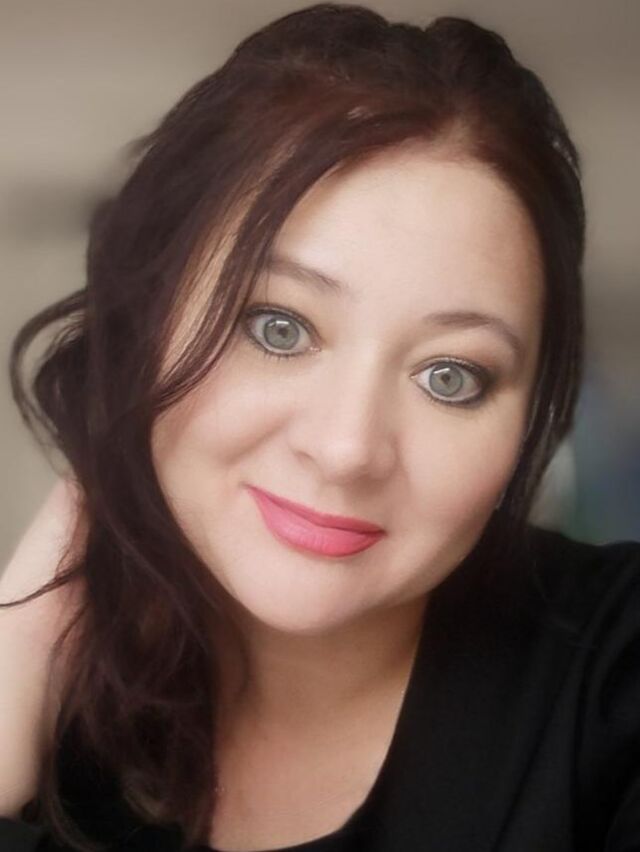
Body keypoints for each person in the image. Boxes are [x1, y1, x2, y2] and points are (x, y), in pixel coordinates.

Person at [1, 3, 638, 850]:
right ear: (142, 327)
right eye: (279, 328)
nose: (346, 450)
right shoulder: (62, 724)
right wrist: (19, 646)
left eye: (450, 376)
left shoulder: (617, 679)